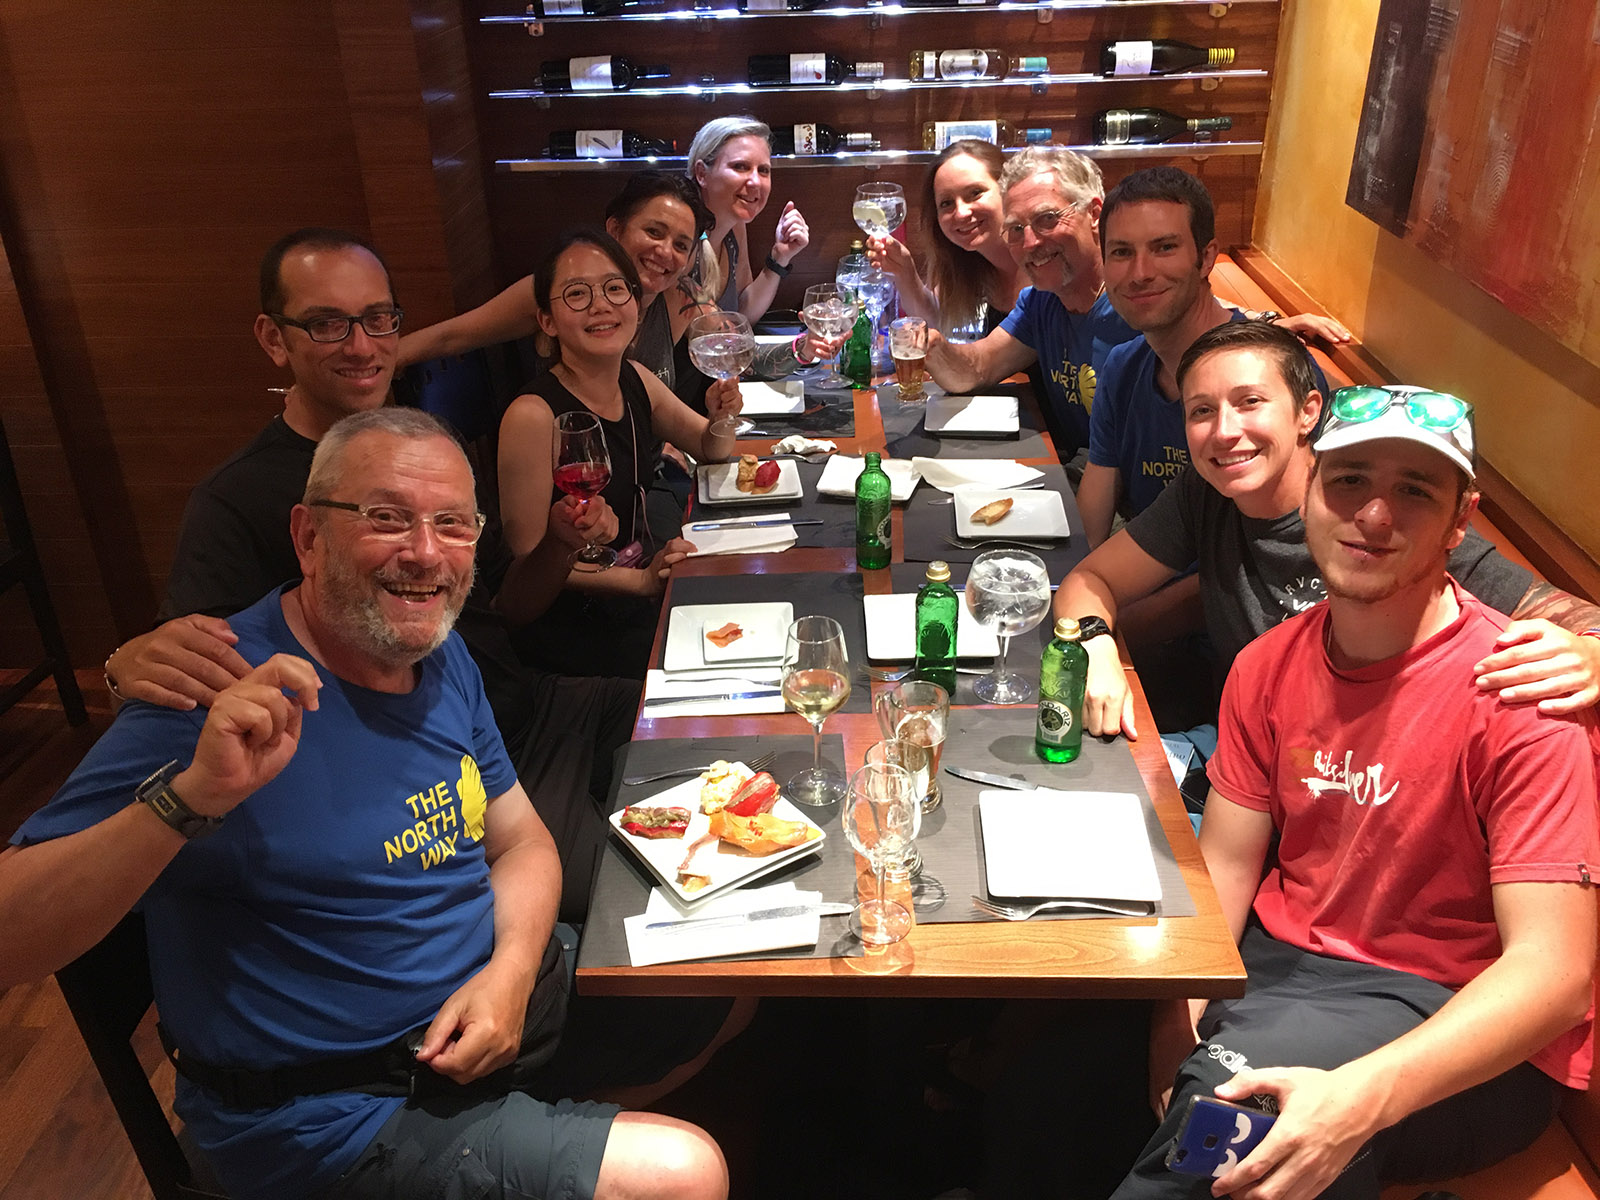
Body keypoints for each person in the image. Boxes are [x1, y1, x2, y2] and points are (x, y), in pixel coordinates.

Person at [2, 408, 730, 1200]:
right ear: (308, 536)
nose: (426, 552)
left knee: (722, 981)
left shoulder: (436, 654)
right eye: (386, 517)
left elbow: (521, 842)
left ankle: (528, 1134)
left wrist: (511, 973)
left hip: (487, 1008)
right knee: (684, 1174)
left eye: (452, 524)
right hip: (338, 1112)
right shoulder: (212, 694)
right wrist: (190, 799)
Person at [1113, 392, 1599, 1199]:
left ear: (1460, 520)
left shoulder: (1520, 695)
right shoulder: (1268, 664)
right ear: (1309, 491)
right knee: (1055, 1085)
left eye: (1415, 490)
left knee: (1233, 1130)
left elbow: (1555, 976)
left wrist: (1360, 1101)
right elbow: (1225, 868)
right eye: (1348, 481)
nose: (1374, 514)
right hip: (1283, 966)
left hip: (1455, 1017)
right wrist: (1176, 1021)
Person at [107, 227, 633, 923]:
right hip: (438, 781)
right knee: (644, 898)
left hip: (525, 709)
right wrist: (121, 666)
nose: (362, 346)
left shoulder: (425, 452)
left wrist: (560, 547)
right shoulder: (237, 499)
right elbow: (180, 674)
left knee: (711, 734)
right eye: (328, 324)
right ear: (274, 339)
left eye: (379, 319)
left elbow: (506, 607)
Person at [1054, 320, 1600, 740]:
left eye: (1250, 402)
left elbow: (1571, 616)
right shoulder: (1208, 491)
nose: (1224, 431)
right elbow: (1089, 580)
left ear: (1307, 412)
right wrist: (1096, 648)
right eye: (1202, 411)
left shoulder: (1368, 518)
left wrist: (1592, 652)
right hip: (1241, 748)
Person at [498, 228, 741, 679]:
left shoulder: (634, 377)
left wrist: (722, 416)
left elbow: (710, 448)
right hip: (573, 641)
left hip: (631, 605)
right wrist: (641, 580)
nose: (601, 305)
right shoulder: (531, 415)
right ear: (547, 321)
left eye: (614, 288)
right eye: (577, 294)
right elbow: (526, 565)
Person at [396, 172, 832, 412]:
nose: (665, 253)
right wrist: (381, 364)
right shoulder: (559, 292)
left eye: (681, 245)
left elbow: (739, 355)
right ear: (614, 229)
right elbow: (454, 336)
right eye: (653, 232)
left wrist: (803, 348)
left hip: (645, 477)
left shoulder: (681, 298)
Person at [1081, 166, 1343, 548]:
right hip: (1137, 566)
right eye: (1122, 252)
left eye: (1164, 247)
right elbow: (1093, 517)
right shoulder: (1123, 366)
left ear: (1206, 258)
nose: (1140, 273)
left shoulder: (1271, 373)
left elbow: (1279, 552)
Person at [920, 145, 1127, 468]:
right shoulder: (1040, 301)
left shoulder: (1138, 302)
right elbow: (979, 367)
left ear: (1095, 214)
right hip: (1074, 469)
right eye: (1016, 229)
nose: (1030, 243)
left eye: (1047, 219)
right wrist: (935, 349)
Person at [865, 139, 1025, 335]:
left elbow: (998, 355)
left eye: (975, 193)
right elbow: (933, 319)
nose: (961, 213)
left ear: (1008, 189)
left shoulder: (1038, 263)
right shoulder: (972, 263)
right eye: (946, 203)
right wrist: (905, 272)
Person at [684, 115, 809, 324]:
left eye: (763, 170)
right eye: (740, 167)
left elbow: (743, 315)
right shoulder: (682, 235)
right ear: (701, 174)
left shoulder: (735, 225)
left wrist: (780, 257)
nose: (755, 182)